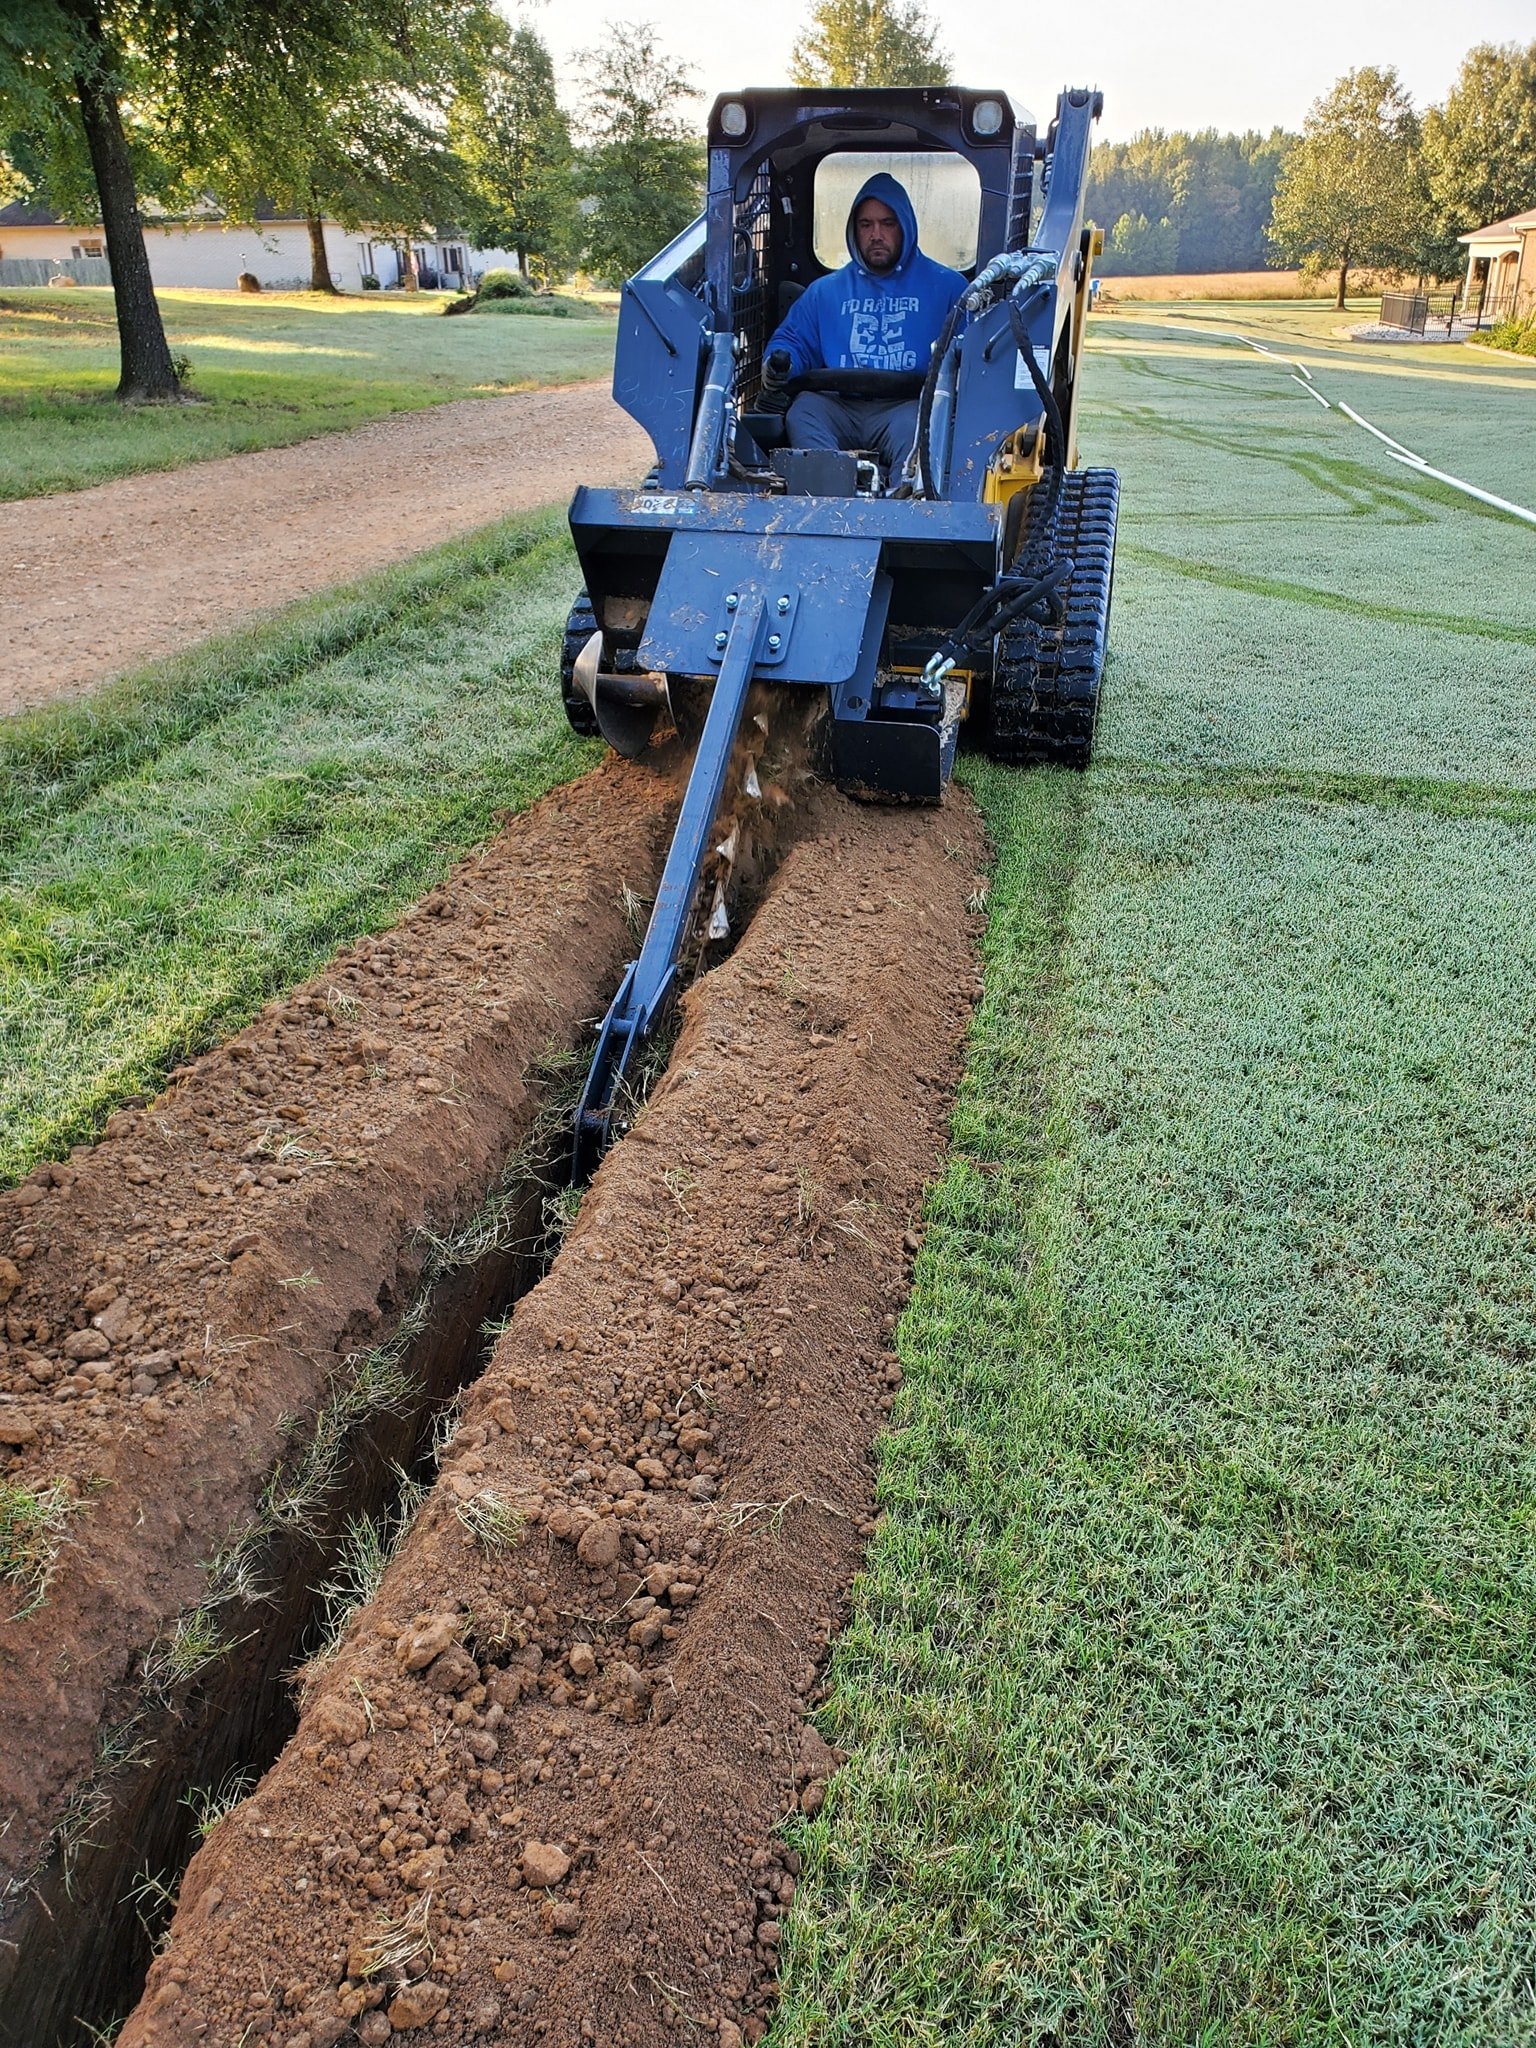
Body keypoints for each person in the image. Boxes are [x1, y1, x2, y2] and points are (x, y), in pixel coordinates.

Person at [757, 171, 966, 477]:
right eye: (866, 224)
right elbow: (793, 341)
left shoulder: (950, 288)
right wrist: (779, 364)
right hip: (838, 407)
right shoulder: (824, 292)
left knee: (923, 426)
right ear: (854, 230)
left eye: (887, 223)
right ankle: (826, 495)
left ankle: (903, 500)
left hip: (906, 406)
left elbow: (969, 357)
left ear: (906, 225)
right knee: (803, 412)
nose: (876, 234)